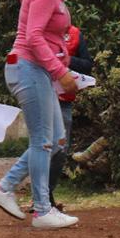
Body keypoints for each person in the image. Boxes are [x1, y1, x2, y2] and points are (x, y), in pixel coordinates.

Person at [0, 0, 96, 229]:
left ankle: (5, 187)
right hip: (28, 67)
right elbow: (33, 37)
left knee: (56, 140)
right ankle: (42, 210)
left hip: (37, 69)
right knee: (44, 141)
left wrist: (62, 63)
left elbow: (48, 37)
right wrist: (61, 72)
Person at [47, 23, 92, 208]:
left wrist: (66, 60)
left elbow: (88, 64)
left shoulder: (74, 34)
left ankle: (47, 193)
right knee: (42, 145)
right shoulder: (38, 31)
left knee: (60, 149)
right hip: (42, 96)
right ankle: (40, 197)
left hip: (65, 100)